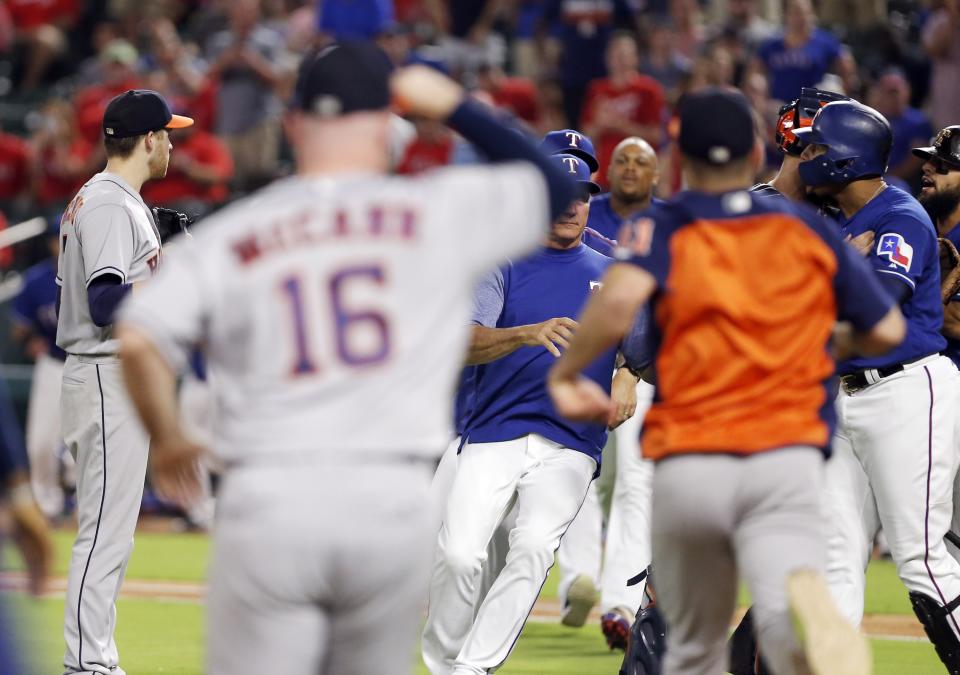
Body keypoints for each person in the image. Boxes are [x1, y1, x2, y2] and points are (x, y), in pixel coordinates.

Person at [116, 43, 578, 674]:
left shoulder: (237, 231)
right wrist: (454, 106)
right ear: (392, 123)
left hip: (269, 495)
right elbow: (554, 186)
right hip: (388, 500)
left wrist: (167, 438)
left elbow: (140, 338)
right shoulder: (438, 210)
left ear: (293, 123)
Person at [548, 87, 898, 675]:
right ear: (756, 145)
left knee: (685, 635)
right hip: (785, 453)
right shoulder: (810, 232)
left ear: (679, 152)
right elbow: (886, 329)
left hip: (695, 452)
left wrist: (570, 373)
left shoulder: (661, 225)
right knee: (786, 604)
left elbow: (622, 321)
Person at [422, 151, 644, 674]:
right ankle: (444, 662)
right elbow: (463, 343)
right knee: (458, 556)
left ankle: (472, 668)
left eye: (583, 196)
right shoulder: (500, 262)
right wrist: (526, 332)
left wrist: (628, 376)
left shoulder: (612, 274)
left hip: (571, 442)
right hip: (494, 431)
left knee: (533, 549)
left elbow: (644, 346)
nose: (572, 206)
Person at [796, 101, 960, 674]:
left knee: (920, 559)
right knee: (835, 555)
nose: (809, 158)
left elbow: (880, 305)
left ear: (848, 156)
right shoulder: (840, 225)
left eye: (818, 149)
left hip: (908, 394)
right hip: (848, 399)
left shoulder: (901, 216)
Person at [57, 88, 193, 675]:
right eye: (166, 134)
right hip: (106, 375)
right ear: (147, 140)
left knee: (111, 532)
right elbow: (107, 300)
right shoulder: (111, 203)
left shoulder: (111, 198)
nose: (171, 143)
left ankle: (94, 660)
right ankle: (88, 664)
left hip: (108, 377)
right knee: (104, 534)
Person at [11, 218, 71, 521]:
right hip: (52, 363)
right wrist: (31, 339)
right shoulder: (37, 280)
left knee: (86, 444)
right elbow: (19, 328)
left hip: (88, 362)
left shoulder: (92, 274)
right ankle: (48, 506)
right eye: (55, 238)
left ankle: (84, 502)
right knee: (41, 442)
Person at [581, 32, 663, 188]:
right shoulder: (597, 89)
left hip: (638, 175)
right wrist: (600, 125)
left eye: (625, 55)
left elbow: (657, 135)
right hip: (604, 175)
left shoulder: (648, 89)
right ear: (607, 58)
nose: (620, 60)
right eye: (616, 55)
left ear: (635, 58)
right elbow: (585, 134)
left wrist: (621, 126)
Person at [915, 125, 960, 371]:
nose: (926, 167)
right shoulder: (920, 229)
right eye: (930, 160)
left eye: (943, 165)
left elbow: (953, 322)